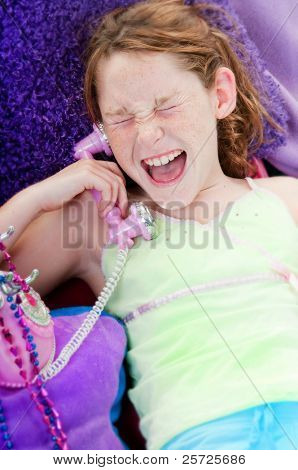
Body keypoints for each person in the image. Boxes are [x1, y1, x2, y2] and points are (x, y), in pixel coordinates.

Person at [1, 0, 297, 450]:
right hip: (201, 443)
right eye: (121, 118)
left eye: (166, 106)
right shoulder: (96, 225)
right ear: (99, 135)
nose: (147, 135)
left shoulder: (284, 200)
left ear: (220, 95)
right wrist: (37, 198)